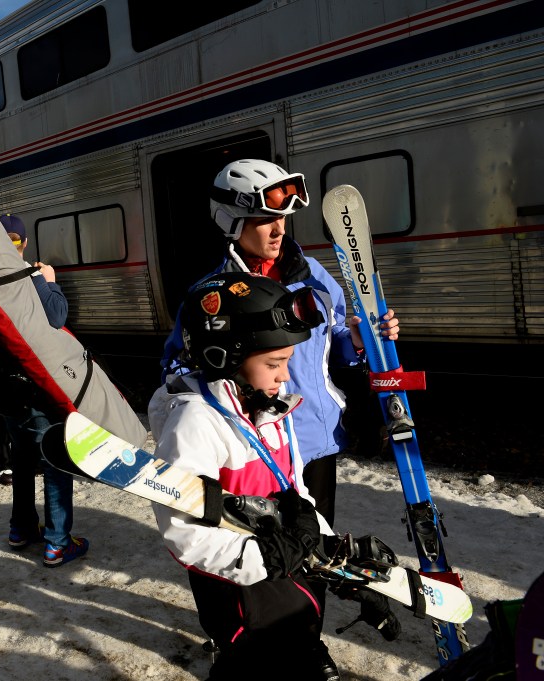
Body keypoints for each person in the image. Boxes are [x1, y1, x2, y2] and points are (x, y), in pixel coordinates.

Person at [150, 272, 398, 679]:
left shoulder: (270, 407)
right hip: (234, 587)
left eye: (286, 362)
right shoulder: (196, 422)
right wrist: (263, 557)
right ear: (223, 357)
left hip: (277, 574)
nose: (285, 375)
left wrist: (337, 557)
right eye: (274, 363)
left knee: (294, 645)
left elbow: (293, 487)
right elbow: (185, 534)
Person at [160, 159, 399, 528]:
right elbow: (179, 368)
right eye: (263, 220)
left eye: (283, 218)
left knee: (318, 549)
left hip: (315, 435)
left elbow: (331, 343)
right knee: (273, 552)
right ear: (232, 222)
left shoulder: (313, 274)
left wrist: (356, 341)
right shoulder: (211, 296)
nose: (278, 230)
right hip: (258, 448)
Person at [0, 213, 86, 566]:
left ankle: (21, 529)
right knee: (54, 460)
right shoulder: (29, 277)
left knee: (22, 458)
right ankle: (57, 543)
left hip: (0, 392)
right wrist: (49, 281)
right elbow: (57, 316)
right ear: (24, 243)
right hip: (33, 390)